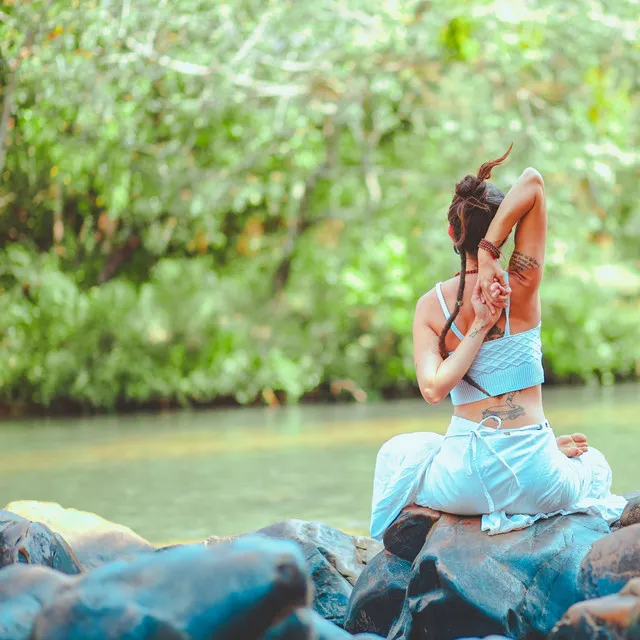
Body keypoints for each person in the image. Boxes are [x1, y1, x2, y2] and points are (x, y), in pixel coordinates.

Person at [370, 145, 626, 539]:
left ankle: (420, 530)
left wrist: (473, 322)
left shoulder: (430, 307)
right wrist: (493, 251)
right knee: (595, 465)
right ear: (501, 228)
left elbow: (433, 389)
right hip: (539, 480)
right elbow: (533, 182)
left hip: (464, 483)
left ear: (452, 232)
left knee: (399, 455)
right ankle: (546, 456)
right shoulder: (520, 285)